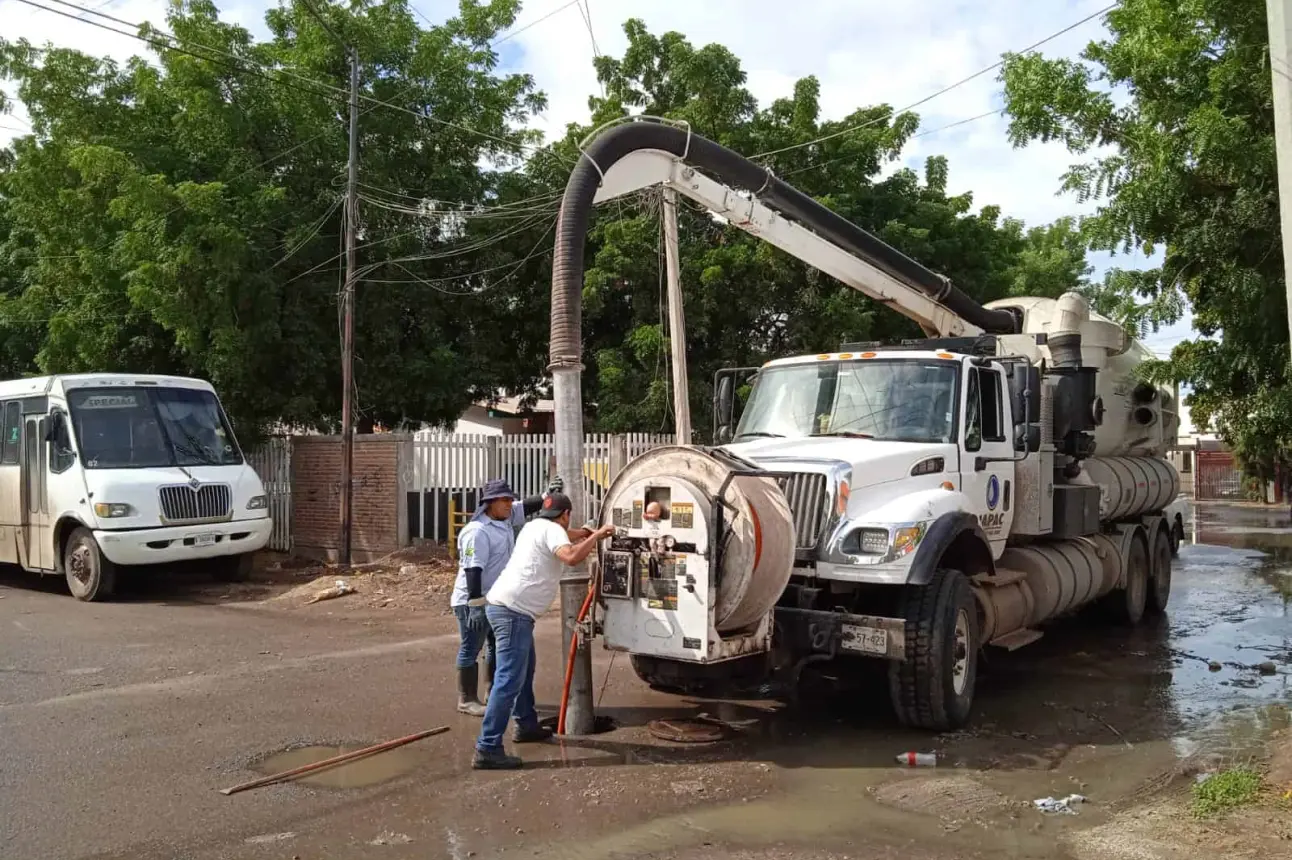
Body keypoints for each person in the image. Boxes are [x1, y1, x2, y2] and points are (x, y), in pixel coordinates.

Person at [473, 491, 616, 770]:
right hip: (514, 613)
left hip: (506, 607)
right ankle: (487, 747)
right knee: (509, 680)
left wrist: (587, 531)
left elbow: (569, 534)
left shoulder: (535, 525)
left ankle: (526, 725)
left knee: (525, 672)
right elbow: (571, 556)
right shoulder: (553, 530)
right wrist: (596, 537)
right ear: (565, 515)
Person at [452, 476, 562, 716]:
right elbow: (473, 569)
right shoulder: (477, 531)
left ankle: (493, 693)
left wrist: (547, 496)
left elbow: (526, 506)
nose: (510, 504)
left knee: (494, 646)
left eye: (510, 500)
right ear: (490, 502)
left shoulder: (505, 516)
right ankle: (467, 698)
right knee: (471, 646)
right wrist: (475, 603)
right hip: (471, 599)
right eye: (504, 500)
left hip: (495, 598)